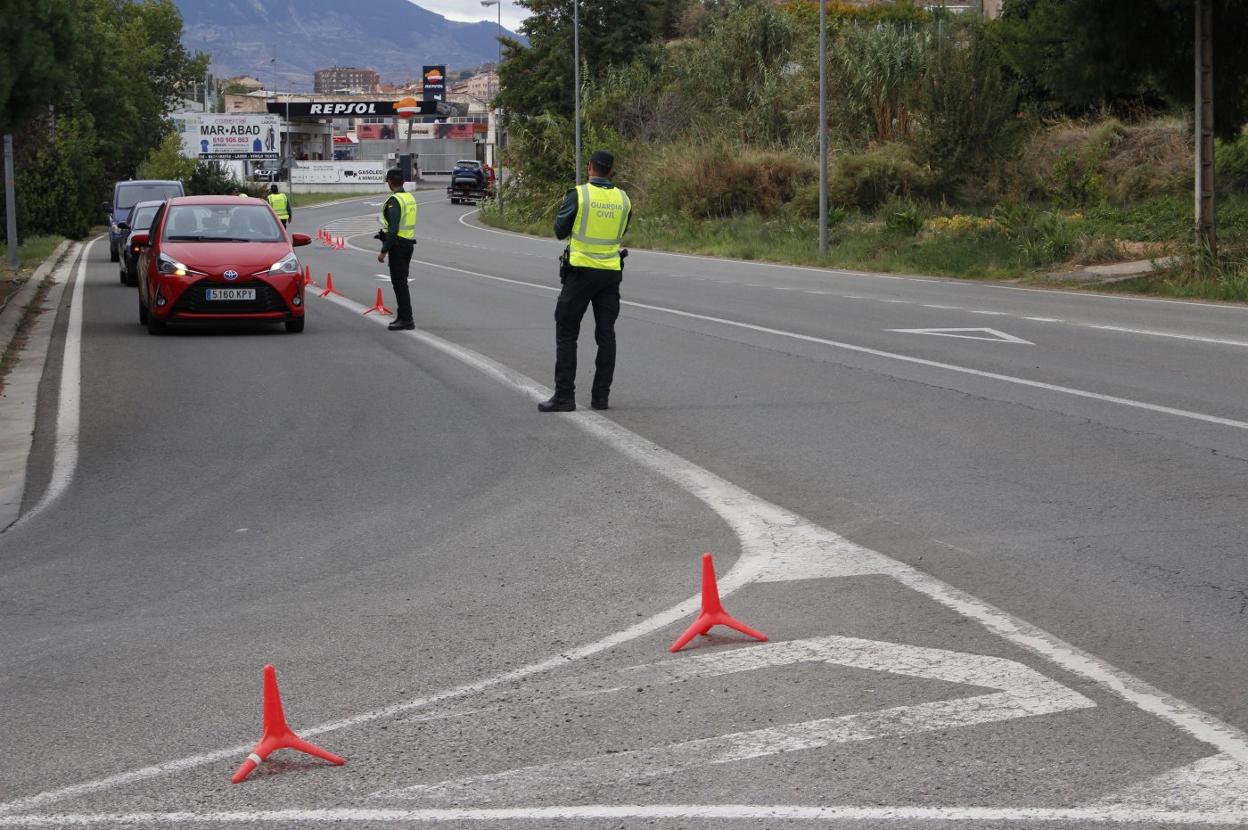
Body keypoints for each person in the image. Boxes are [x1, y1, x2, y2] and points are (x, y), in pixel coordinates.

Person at [538, 149, 631, 412]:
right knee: (606, 334)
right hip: (611, 273)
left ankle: (565, 396)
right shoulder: (624, 199)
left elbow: (559, 231)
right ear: (611, 170)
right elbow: (622, 231)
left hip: (580, 273)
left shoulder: (579, 195)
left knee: (567, 332)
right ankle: (601, 397)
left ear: (589, 166)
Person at [376, 167, 418, 331]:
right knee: (401, 283)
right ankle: (402, 317)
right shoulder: (409, 198)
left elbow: (393, 229)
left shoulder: (395, 201)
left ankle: (406, 319)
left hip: (398, 246)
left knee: (399, 284)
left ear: (390, 182)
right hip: (408, 244)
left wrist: (383, 250)